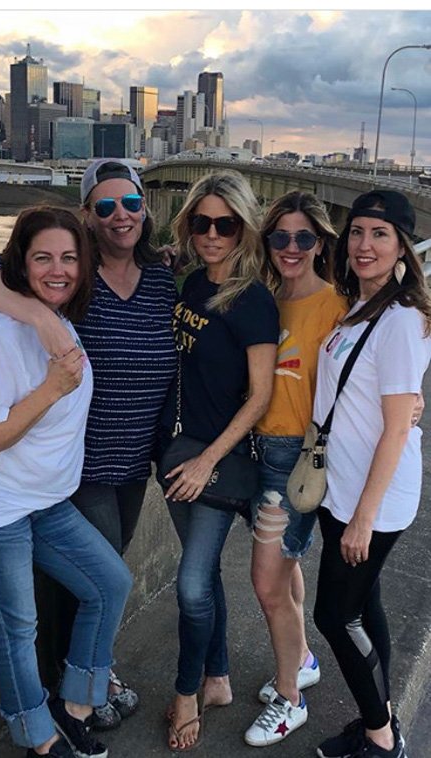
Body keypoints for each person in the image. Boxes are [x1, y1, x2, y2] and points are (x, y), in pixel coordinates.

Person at [0, 159, 177, 729]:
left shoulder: (163, 274)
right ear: (87, 215)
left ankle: (79, 679)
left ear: (144, 208)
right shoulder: (74, 278)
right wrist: (39, 316)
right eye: (104, 206)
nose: (120, 216)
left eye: (130, 203)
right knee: (95, 581)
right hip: (79, 465)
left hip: (136, 462)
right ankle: (82, 689)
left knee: (102, 575)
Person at [0, 206, 133, 758]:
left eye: (69, 258)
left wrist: (46, 327)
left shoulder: (58, 319)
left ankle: (73, 708)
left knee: (109, 584)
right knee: (18, 629)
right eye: (42, 257)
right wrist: (50, 388)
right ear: (20, 262)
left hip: (41, 502)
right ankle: (40, 740)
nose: (58, 269)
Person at [159, 170, 279, 751]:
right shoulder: (189, 285)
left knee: (188, 587)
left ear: (243, 228)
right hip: (179, 454)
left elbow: (260, 396)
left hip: (220, 462)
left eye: (224, 224)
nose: (212, 234)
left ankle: (186, 691)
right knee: (201, 575)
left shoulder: (251, 299)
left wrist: (208, 459)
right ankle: (220, 677)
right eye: (201, 222)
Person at [312, 190, 431, 758]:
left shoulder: (402, 318)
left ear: (403, 247)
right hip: (344, 488)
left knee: (334, 616)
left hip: (372, 498)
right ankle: (376, 719)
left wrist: (364, 517)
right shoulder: (360, 307)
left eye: (380, 235)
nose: (364, 245)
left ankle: (382, 738)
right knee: (364, 607)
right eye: (357, 232)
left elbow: (395, 429)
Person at [243, 191, 345, 747]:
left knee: (266, 583)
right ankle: (301, 658)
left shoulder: (337, 306)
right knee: (284, 571)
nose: (291, 247)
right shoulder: (264, 299)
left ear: (320, 243)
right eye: (280, 236)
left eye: (303, 237)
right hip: (257, 451)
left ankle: (291, 699)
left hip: (294, 460)